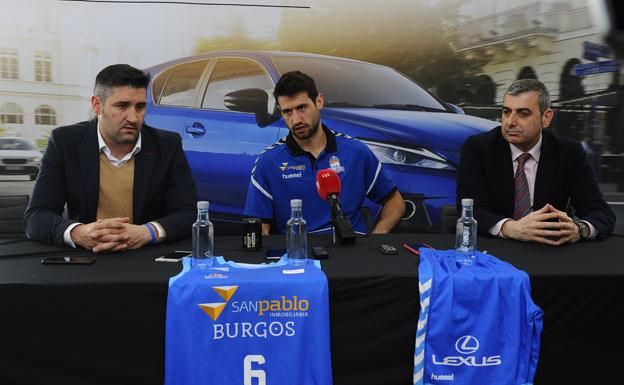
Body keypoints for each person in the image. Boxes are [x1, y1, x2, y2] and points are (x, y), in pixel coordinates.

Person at [24, 64, 197, 252]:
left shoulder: (167, 145)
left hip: (147, 257)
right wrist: (78, 233)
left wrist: (148, 232)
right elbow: (37, 216)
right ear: (97, 105)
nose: (133, 117)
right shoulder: (66, 142)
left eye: (140, 107)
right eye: (122, 106)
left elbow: (188, 214)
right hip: (87, 257)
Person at [244, 71, 405, 235]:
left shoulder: (356, 152)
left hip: (354, 255)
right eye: (287, 112)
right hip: (299, 256)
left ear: (319, 101)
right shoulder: (268, 161)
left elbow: (395, 202)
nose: (296, 120)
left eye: (302, 108)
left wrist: (376, 239)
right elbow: (259, 228)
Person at [456, 79, 615, 245]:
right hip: (495, 249)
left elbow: (601, 212)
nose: (510, 122)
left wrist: (579, 229)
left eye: (523, 113)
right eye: (506, 112)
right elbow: (470, 210)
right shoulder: (479, 148)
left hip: (548, 251)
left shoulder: (569, 152)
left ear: (546, 118)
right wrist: (512, 228)